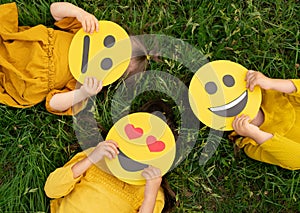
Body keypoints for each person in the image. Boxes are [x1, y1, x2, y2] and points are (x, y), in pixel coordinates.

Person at [0, 2, 149, 115]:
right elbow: (55, 9)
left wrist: (83, 93)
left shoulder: (84, 82)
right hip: (24, 46)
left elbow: (53, 103)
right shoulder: (86, 31)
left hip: (24, 78)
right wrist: (80, 13)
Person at [44, 140, 176, 213]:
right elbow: (51, 190)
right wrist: (91, 159)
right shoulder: (97, 158)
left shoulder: (151, 190)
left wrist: (150, 195)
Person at [230, 70, 300, 170]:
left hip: (259, 132)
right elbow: (296, 87)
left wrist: (254, 133)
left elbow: (296, 158)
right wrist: (270, 83)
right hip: (271, 98)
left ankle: (248, 125)